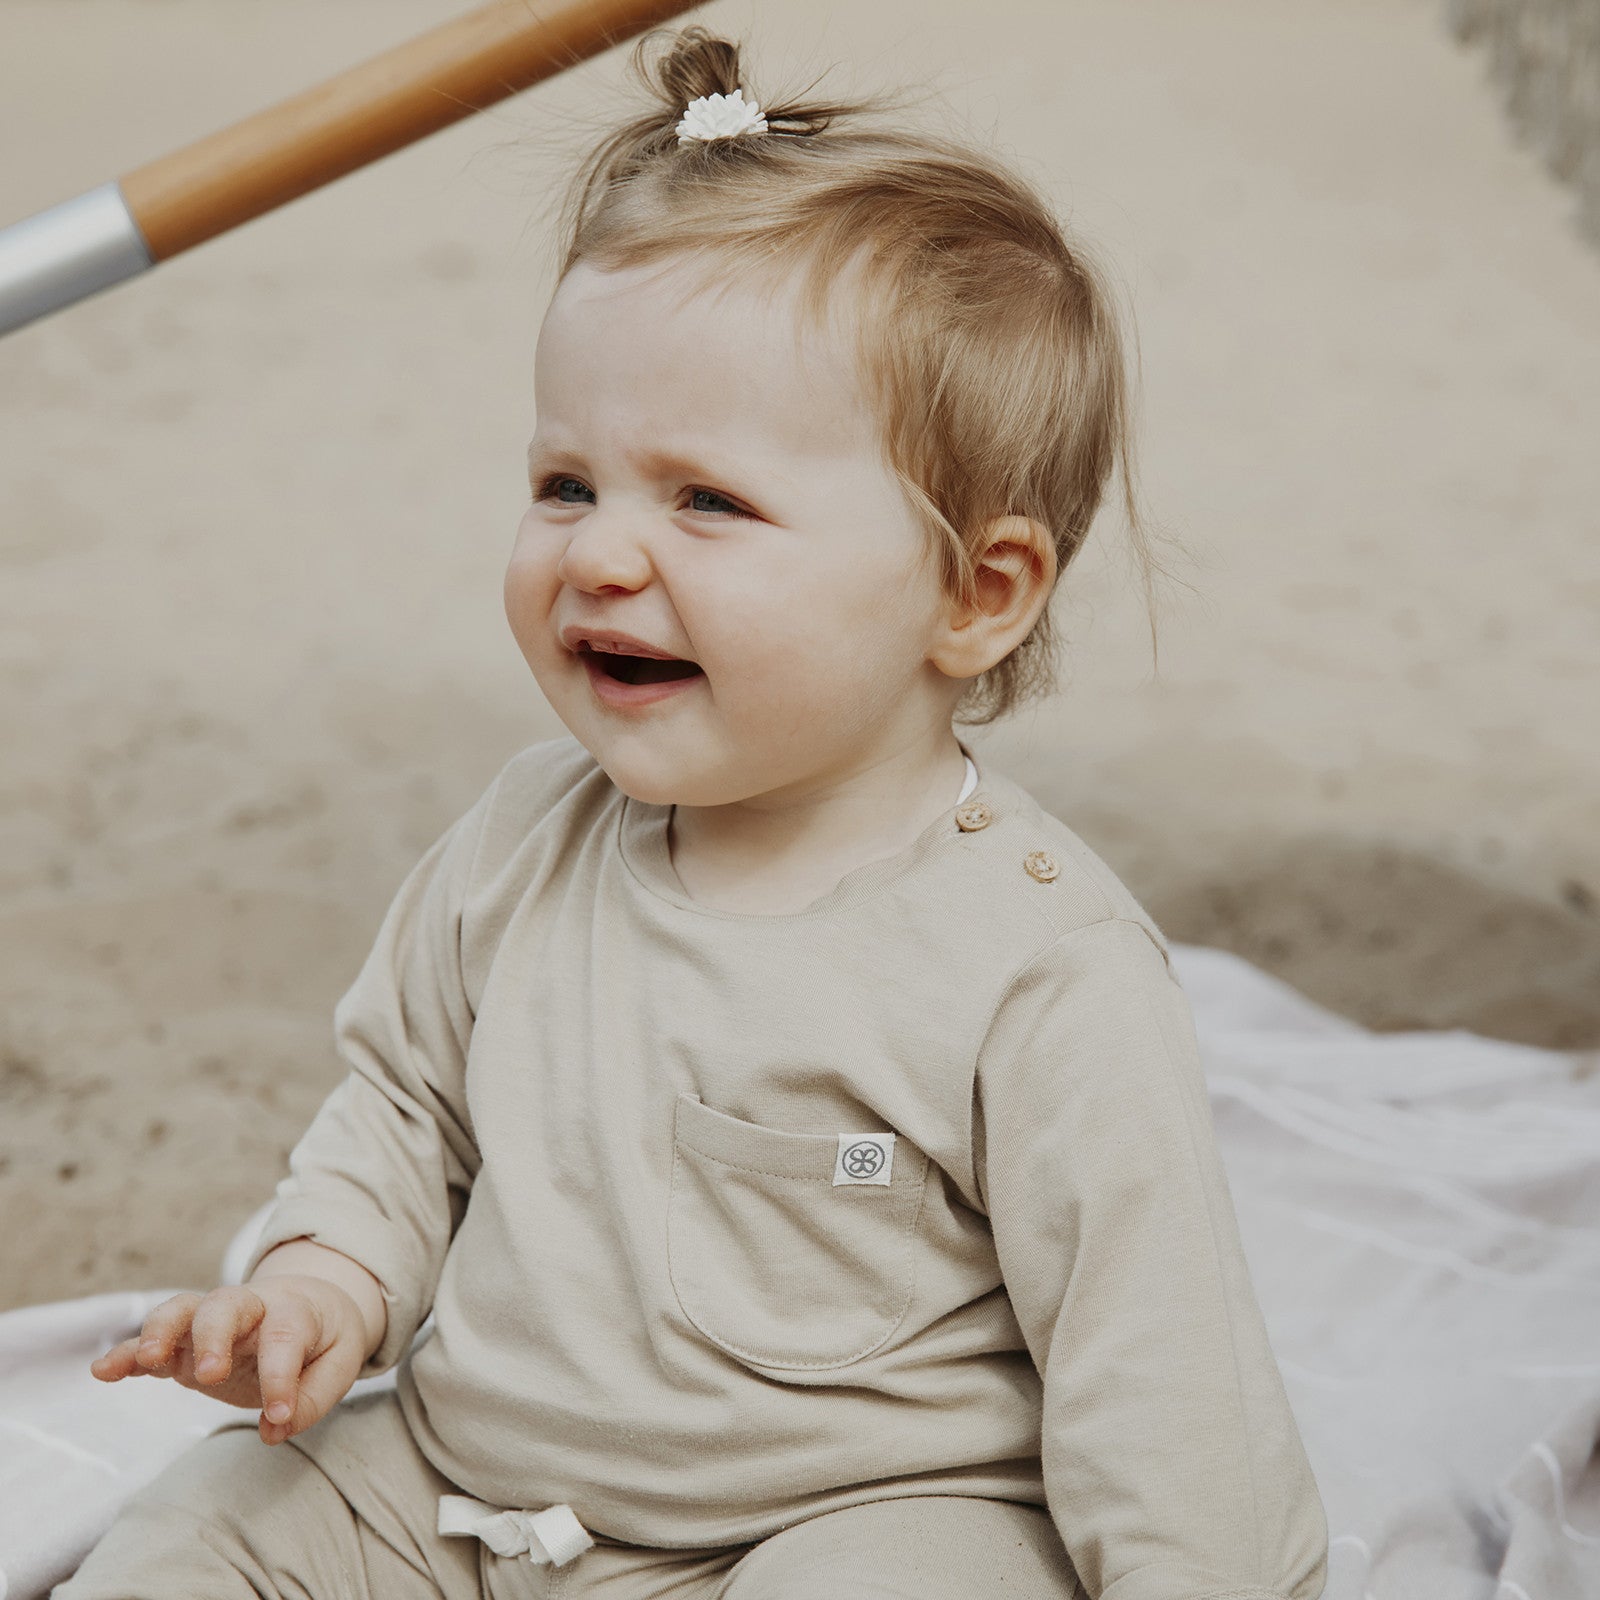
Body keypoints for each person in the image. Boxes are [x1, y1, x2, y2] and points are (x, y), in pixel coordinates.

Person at [66, 25, 1328, 1600]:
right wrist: (325, 1281)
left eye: (708, 500)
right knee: (205, 1532)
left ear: (975, 590)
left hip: (849, 1516)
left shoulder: (1036, 964)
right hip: (476, 1490)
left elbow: (1166, 1381)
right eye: (565, 484)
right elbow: (406, 1113)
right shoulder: (525, 841)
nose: (600, 556)